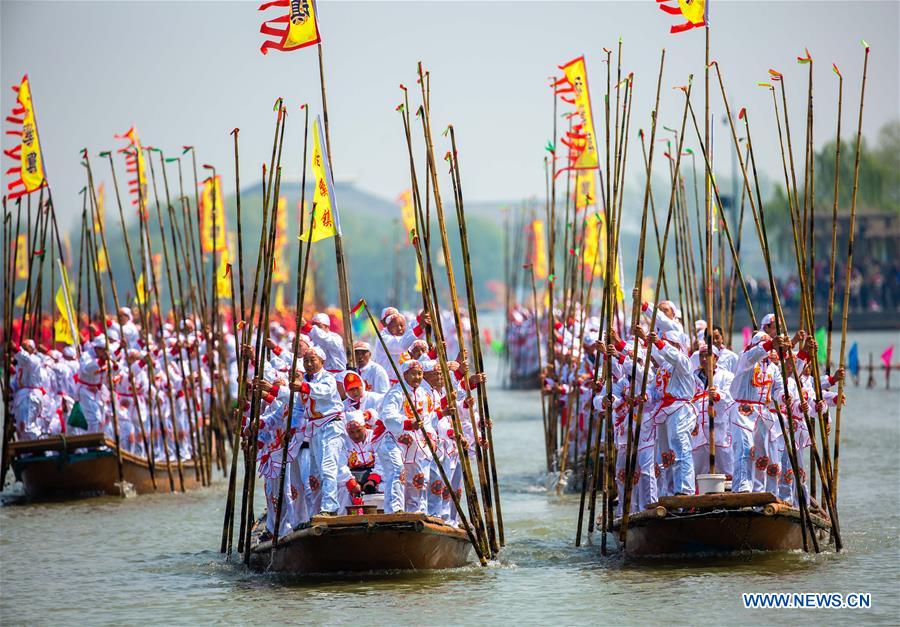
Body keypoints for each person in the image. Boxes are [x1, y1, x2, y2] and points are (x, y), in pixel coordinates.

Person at [289, 346, 345, 516]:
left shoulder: (328, 378)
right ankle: (315, 512)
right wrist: (292, 428)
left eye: (312, 360)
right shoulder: (304, 381)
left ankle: (329, 508)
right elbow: (299, 409)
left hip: (331, 426)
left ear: (322, 362)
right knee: (314, 475)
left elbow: (325, 392)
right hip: (314, 430)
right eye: (305, 360)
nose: (309, 364)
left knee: (328, 468)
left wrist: (303, 387)